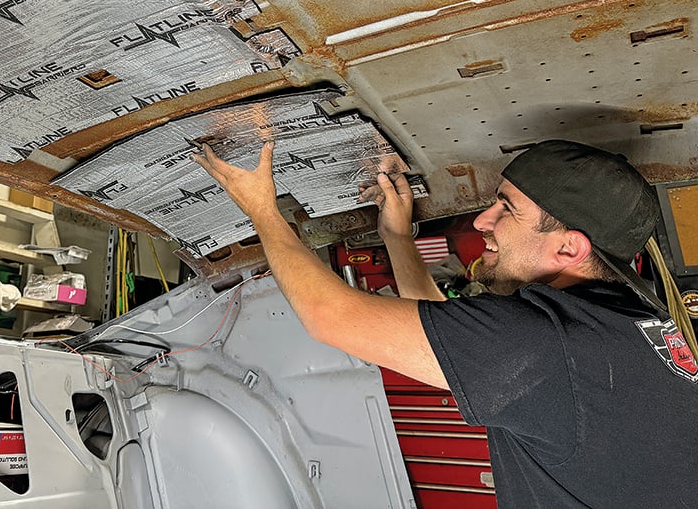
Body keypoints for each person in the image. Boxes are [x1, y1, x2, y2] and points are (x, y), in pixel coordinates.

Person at [193, 138, 698, 509]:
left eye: (507, 209)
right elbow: (451, 333)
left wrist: (260, 208)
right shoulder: (625, 325)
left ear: (569, 246)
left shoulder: (552, 345)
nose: (483, 221)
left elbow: (331, 318)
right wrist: (396, 235)